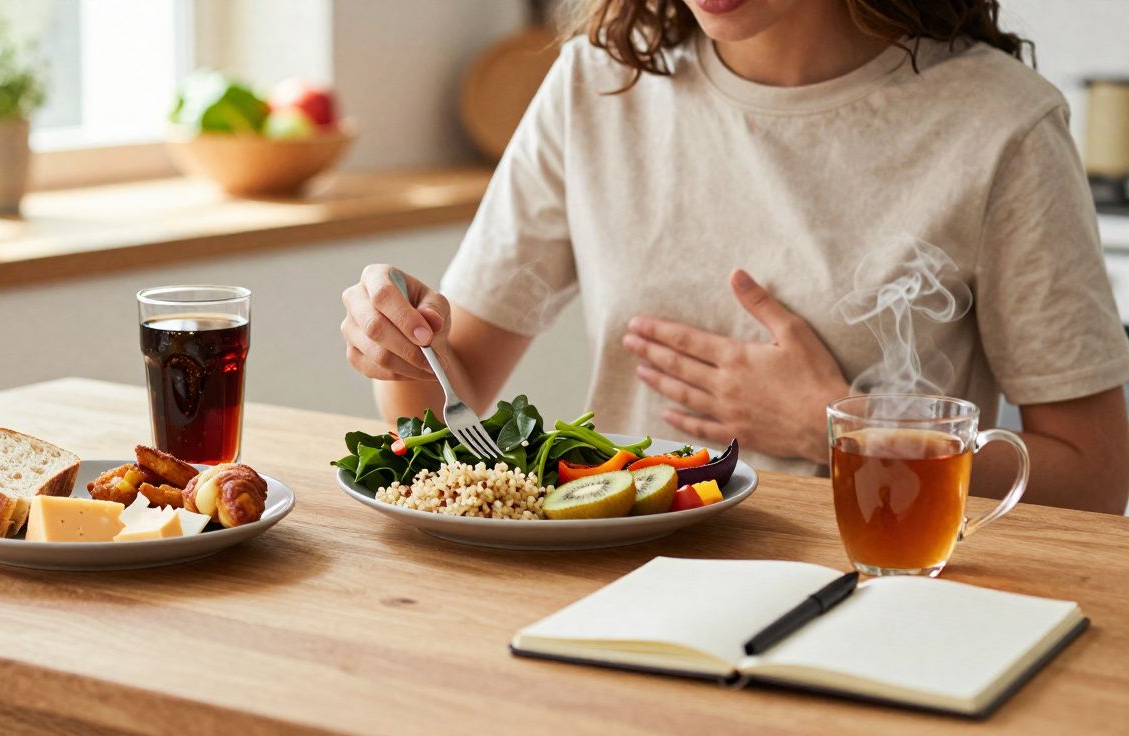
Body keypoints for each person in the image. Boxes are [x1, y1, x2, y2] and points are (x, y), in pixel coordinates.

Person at [340, 0, 1129, 514]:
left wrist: (844, 429)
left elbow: (1095, 478)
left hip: (887, 594)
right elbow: (448, 407)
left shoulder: (1002, 125)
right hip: (627, 594)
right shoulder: (600, 83)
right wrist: (402, 343)